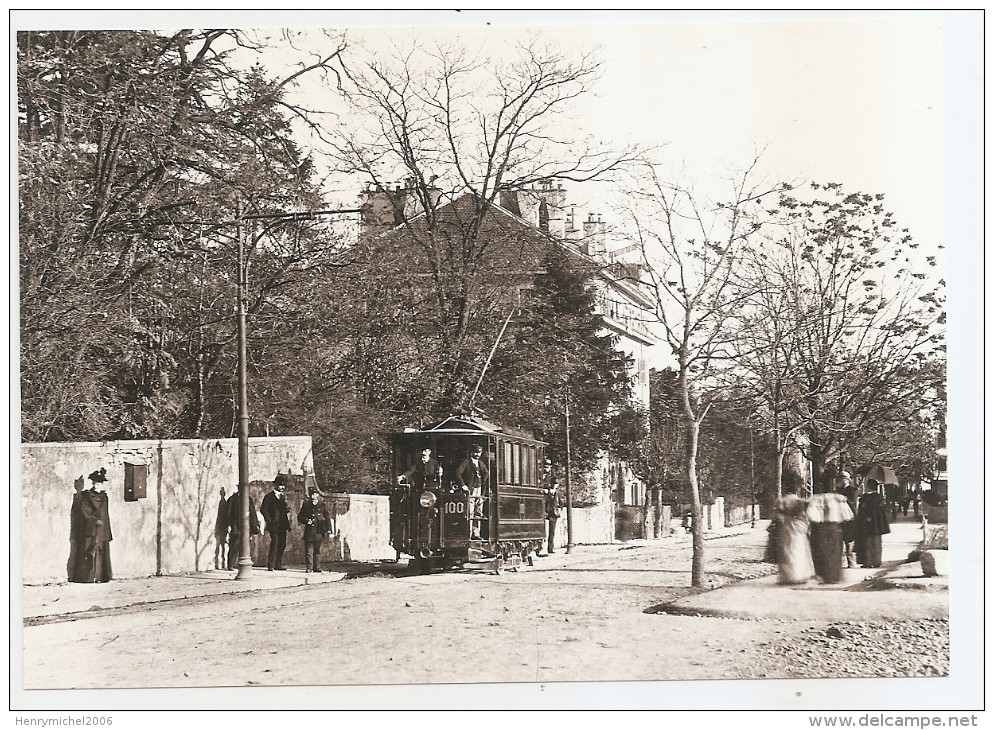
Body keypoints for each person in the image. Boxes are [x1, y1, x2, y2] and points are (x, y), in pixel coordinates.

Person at [806, 478, 854, 584]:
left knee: (820, 552)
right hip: (835, 528)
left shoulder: (815, 499)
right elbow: (848, 515)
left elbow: (810, 515)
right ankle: (833, 576)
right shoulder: (838, 499)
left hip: (819, 529)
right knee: (835, 552)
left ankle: (822, 575)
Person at [69, 468, 113, 583]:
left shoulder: (104, 497)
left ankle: (101, 576)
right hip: (90, 530)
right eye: (96, 483)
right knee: (88, 550)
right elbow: (84, 512)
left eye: (100, 483)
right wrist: (94, 520)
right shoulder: (87, 496)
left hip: (102, 530)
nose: (97, 485)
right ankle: (87, 578)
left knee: (101, 552)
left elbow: (105, 514)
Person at [772, 492, 815, 584]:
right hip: (799, 527)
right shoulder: (801, 503)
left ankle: (789, 576)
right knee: (800, 551)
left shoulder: (782, 501)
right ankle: (801, 575)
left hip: (789, 527)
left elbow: (779, 511)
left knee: (789, 551)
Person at [456, 444, 490, 540]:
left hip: (479, 490)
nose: (477, 454)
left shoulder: (481, 463)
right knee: (470, 512)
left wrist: (483, 482)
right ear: (471, 453)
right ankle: (468, 533)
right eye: (476, 452)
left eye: (479, 452)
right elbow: (458, 473)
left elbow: (486, 473)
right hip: (470, 490)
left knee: (478, 511)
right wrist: (463, 485)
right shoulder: (466, 463)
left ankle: (476, 533)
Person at [855, 479, 891, 568]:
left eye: (866, 485)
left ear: (869, 487)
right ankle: (870, 561)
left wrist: (868, 517)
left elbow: (874, 511)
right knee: (869, 542)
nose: (865, 487)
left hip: (871, 523)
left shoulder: (875, 498)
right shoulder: (871, 497)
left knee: (871, 542)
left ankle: (872, 561)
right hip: (872, 524)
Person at [226, 485, 260, 570]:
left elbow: (253, 513)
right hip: (236, 525)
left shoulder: (249, 499)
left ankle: (240, 563)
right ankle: (231, 564)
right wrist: (230, 525)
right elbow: (228, 514)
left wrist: (255, 525)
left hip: (247, 526)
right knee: (234, 545)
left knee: (245, 545)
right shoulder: (232, 499)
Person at [261, 477, 292, 570]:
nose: (282, 487)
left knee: (282, 544)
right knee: (275, 543)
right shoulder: (269, 496)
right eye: (280, 485)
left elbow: (284, 509)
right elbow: (263, 509)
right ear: (275, 485)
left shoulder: (283, 497)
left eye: (283, 485)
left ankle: (278, 564)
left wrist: (286, 509)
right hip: (274, 525)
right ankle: (271, 565)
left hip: (282, 525)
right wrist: (269, 521)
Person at [297, 488, 332, 573]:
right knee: (309, 551)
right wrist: (306, 520)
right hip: (309, 531)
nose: (313, 496)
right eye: (312, 494)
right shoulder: (306, 505)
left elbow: (327, 517)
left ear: (317, 495)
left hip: (319, 530)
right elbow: (300, 517)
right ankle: (309, 567)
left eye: (315, 494)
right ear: (309, 495)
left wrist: (329, 529)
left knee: (318, 550)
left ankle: (317, 567)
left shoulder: (322, 505)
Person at [836, 471, 858, 569]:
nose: (842, 481)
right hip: (839, 517)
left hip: (850, 517)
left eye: (844, 479)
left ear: (848, 480)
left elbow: (852, 501)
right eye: (840, 479)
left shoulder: (853, 490)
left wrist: (841, 499)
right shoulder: (837, 491)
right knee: (839, 539)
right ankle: (839, 562)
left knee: (849, 540)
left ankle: (851, 562)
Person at [542, 463, 563, 555]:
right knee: (543, 530)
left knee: (552, 531)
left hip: (553, 513)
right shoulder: (543, 476)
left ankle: (550, 548)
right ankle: (540, 548)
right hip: (545, 511)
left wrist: (559, 509)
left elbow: (561, 503)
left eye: (556, 485)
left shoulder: (557, 493)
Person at [213, 486, 228, 571]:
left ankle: (222, 563)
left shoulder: (223, 503)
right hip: (221, 526)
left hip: (223, 526)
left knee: (222, 545)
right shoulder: (221, 503)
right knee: (220, 545)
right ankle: (220, 563)